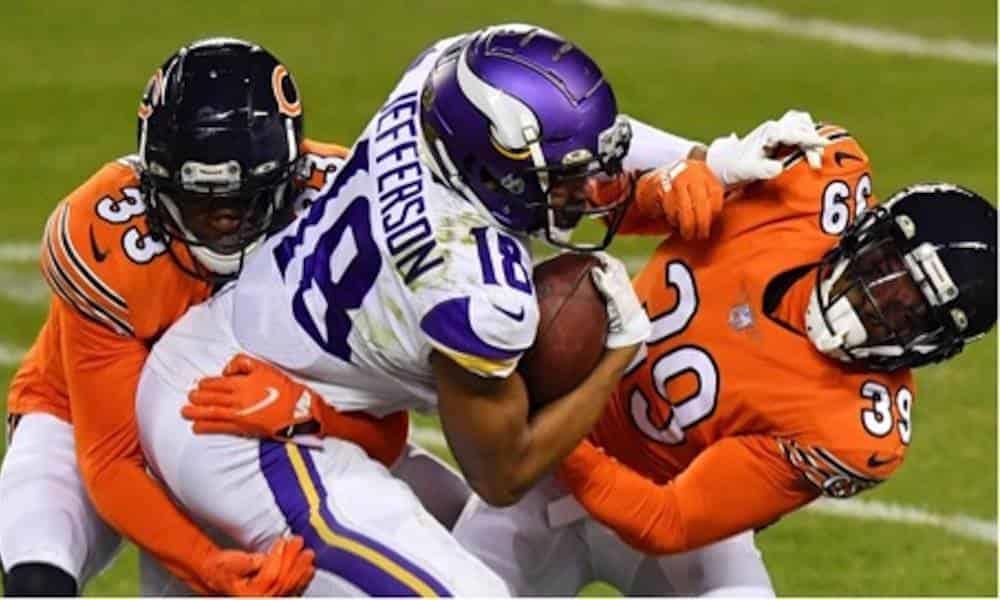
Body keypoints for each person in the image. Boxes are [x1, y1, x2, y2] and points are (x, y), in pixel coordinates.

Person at [132, 23, 830, 596]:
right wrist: (617, 351)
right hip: (238, 428)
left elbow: (583, 139)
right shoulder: (474, 287)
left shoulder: (438, 87)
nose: (588, 191)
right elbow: (501, 475)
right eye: (564, 179)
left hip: (265, 370)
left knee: (459, 546)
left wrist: (706, 160)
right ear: (496, 170)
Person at [451, 123, 997, 596]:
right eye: (885, 266)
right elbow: (604, 198)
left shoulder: (858, 428)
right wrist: (671, 183)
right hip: (540, 480)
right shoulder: (809, 187)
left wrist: (547, 419)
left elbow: (667, 520)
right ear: (866, 228)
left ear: (934, 346)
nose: (879, 298)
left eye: (912, 308)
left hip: (655, 503)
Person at [0, 36, 405, 596]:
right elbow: (111, 460)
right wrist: (207, 565)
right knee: (36, 579)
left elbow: (387, 427)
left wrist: (309, 413)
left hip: (245, 429)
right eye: (198, 201)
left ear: (289, 177)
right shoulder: (103, 238)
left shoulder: (342, 212)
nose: (220, 221)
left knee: (438, 546)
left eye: (241, 202)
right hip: (84, 413)